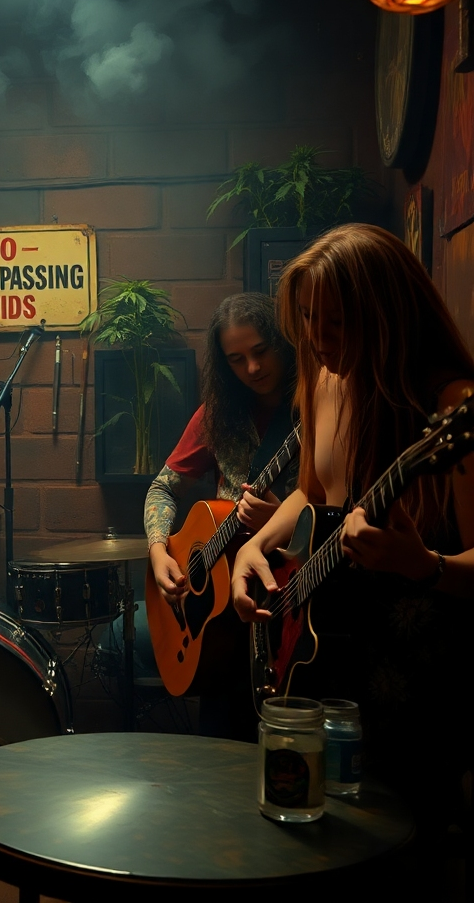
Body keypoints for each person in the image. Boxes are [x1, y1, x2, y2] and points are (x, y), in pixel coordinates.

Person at [230, 223, 474, 840]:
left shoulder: (451, 402)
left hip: (414, 684)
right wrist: (252, 549)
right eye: (308, 319)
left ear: (389, 315)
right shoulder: (323, 376)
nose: (317, 338)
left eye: (337, 322)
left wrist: (426, 566)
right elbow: (313, 492)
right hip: (327, 655)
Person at [144, 292, 297, 739]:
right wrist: (158, 552)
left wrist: (279, 519)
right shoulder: (216, 416)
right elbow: (161, 488)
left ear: (282, 341)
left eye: (260, 351)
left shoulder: (314, 408)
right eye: (236, 359)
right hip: (217, 616)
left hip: (284, 595)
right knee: (219, 742)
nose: (252, 368)